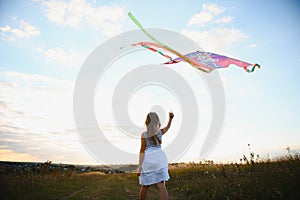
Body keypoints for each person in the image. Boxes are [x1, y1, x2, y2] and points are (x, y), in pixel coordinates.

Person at [137, 111, 174, 200]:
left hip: (149, 159)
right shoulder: (159, 133)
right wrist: (170, 119)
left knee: (145, 185)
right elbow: (168, 127)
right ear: (157, 121)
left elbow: (142, 150)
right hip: (160, 158)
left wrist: (139, 166)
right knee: (161, 185)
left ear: (147, 122)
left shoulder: (144, 134)